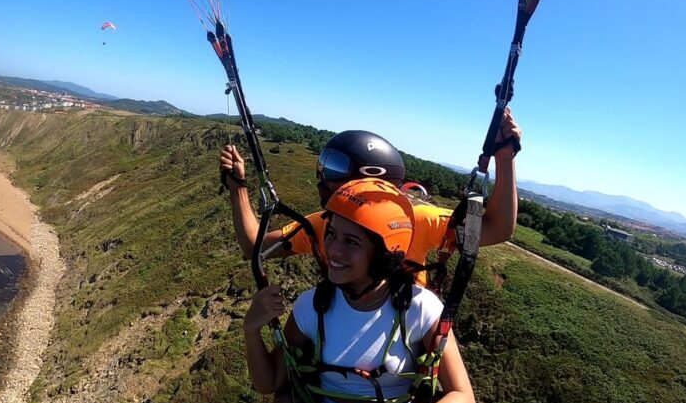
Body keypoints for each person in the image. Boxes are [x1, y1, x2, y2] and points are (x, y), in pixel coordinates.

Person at [243, 179, 477, 403]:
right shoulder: (312, 306)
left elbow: (464, 399)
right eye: (332, 233)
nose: (333, 249)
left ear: (384, 256)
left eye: (352, 242)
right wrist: (251, 329)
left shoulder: (419, 308)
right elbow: (270, 382)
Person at [219, 107, 521, 283]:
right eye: (323, 163)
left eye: (334, 166)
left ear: (372, 176)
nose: (323, 176)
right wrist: (239, 190)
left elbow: (498, 228)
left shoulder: (416, 218)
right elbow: (254, 247)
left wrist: (505, 158)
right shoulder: (326, 223)